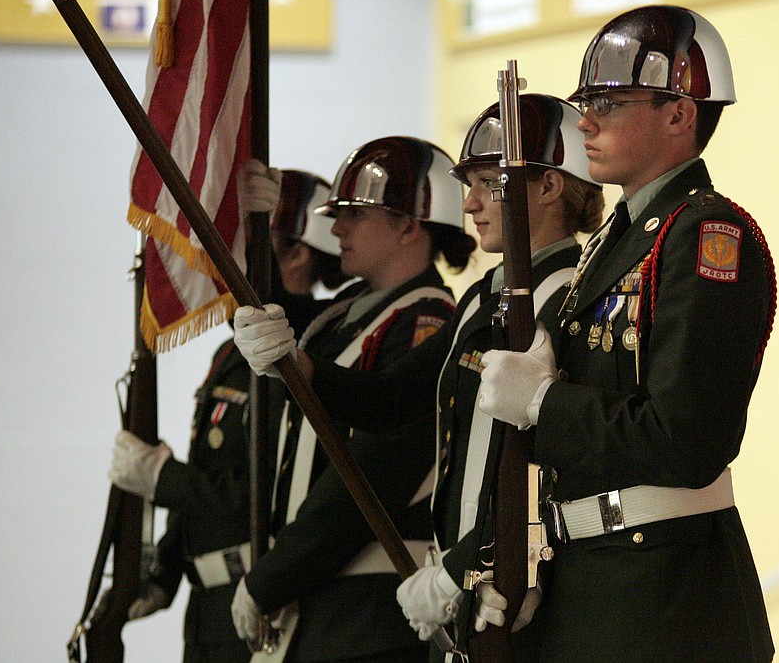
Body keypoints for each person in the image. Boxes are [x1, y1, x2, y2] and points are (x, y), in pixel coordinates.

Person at [231, 95, 604, 660]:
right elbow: (394, 401)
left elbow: (553, 467)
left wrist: (467, 566)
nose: (471, 202)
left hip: (512, 587)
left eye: (487, 182)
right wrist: (296, 362)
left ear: (550, 187)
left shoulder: (573, 296)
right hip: (463, 587)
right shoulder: (485, 299)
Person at [476, 5, 777, 661]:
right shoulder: (612, 243)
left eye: (608, 101)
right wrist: (530, 561)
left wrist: (543, 403)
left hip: (667, 598)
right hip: (591, 581)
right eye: (587, 101)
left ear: (679, 113)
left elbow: (686, 437)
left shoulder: (704, 235)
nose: (584, 120)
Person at [229, 136, 476, 663]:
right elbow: (266, 314)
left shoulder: (426, 321)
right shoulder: (344, 312)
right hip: (321, 604)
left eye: (354, 215)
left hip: (365, 616)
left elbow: (372, 471)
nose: (336, 229)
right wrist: (259, 224)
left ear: (410, 225)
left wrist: (271, 578)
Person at [105, 167, 347, 663]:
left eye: (253, 243)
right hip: (209, 608)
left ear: (298, 253)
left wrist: (163, 477)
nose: (229, 257)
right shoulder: (233, 351)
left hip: (260, 602)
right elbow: (215, 470)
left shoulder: (304, 346)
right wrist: (164, 572)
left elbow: (268, 489)